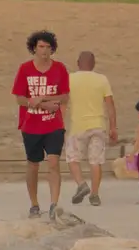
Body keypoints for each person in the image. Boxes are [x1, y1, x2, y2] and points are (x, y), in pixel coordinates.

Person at [12, 29, 71, 218]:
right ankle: (35, 204)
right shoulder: (25, 69)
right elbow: (19, 98)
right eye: (40, 46)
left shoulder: (60, 69)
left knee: (53, 163)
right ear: (34, 48)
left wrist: (43, 98)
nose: (44, 50)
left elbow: (64, 96)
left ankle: (54, 204)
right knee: (33, 164)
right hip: (31, 125)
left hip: (54, 125)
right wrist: (37, 103)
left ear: (52, 49)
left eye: (47, 47)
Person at [65, 51, 117, 207]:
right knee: (96, 161)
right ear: (93, 64)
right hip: (98, 125)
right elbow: (110, 106)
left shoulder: (70, 79)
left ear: (77, 63)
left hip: (78, 126)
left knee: (72, 158)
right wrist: (113, 127)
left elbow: (63, 103)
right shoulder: (102, 80)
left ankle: (81, 184)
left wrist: (60, 124)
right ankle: (94, 195)